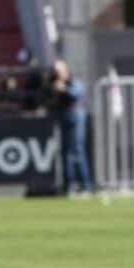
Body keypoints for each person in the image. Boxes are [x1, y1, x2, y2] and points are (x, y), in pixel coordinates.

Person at [46, 59, 92, 194]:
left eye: (59, 70)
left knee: (77, 150)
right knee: (65, 153)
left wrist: (64, 89)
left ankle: (85, 185)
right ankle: (68, 187)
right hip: (62, 116)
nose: (57, 73)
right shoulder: (53, 81)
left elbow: (76, 93)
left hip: (75, 117)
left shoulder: (73, 80)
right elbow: (48, 97)